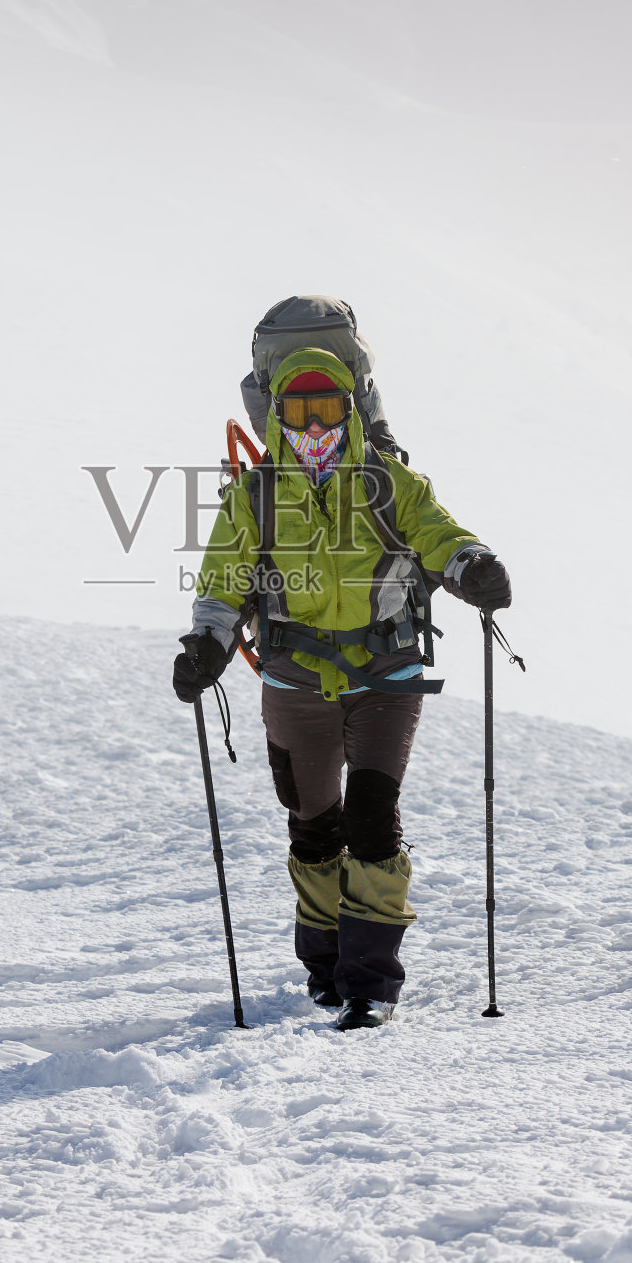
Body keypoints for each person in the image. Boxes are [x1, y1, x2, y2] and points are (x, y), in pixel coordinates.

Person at [172, 347, 511, 1030]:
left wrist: (469, 564)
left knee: (371, 820)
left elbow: (437, 534)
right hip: (294, 682)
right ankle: (324, 965)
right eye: (298, 411)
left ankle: (370, 983)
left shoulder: (389, 481)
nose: (314, 425)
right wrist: (207, 642)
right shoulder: (255, 492)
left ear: (350, 410)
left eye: (327, 409)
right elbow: (222, 580)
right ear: (277, 416)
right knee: (312, 828)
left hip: (387, 675)